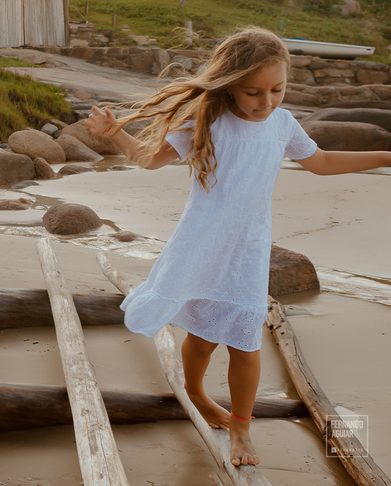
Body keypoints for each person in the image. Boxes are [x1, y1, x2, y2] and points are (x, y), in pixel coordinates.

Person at [85, 26, 391, 468]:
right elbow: (149, 159)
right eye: (253, 92)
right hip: (201, 244)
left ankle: (241, 428)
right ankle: (194, 391)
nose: (266, 102)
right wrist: (114, 132)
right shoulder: (207, 121)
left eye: (277, 90)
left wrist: (384, 156)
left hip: (247, 251)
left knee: (246, 343)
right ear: (229, 86)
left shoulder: (283, 124)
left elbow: (320, 163)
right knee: (204, 338)